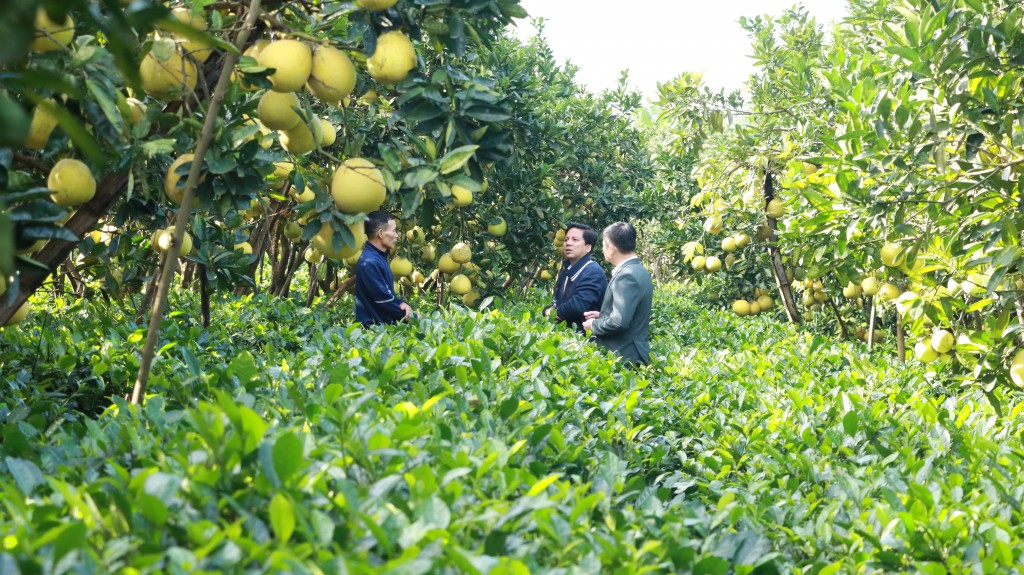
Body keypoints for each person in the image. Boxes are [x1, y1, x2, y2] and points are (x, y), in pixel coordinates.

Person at [582, 222, 653, 365]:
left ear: (612, 249)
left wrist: (594, 325)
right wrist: (602, 315)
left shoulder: (627, 276)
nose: (602, 249)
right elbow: (629, 313)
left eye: (603, 245)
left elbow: (619, 322)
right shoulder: (639, 270)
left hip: (624, 356)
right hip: (631, 353)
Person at [543, 223, 607, 333]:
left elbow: (577, 305)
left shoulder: (592, 271)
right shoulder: (566, 271)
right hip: (566, 340)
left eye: (575, 240)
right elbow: (557, 302)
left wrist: (552, 313)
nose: (568, 243)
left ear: (588, 247)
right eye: (566, 239)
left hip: (585, 343)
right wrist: (547, 310)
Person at [355, 210, 414, 327]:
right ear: (381, 233)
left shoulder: (378, 258)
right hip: (373, 333)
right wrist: (414, 317)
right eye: (394, 231)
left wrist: (401, 303)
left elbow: (386, 295)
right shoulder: (370, 262)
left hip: (381, 330)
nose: (397, 235)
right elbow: (384, 300)